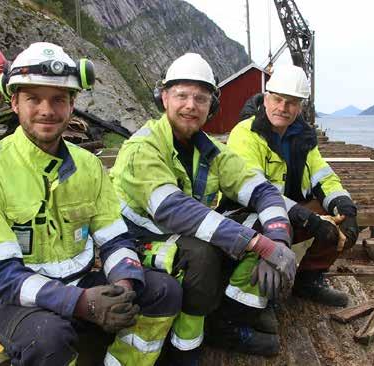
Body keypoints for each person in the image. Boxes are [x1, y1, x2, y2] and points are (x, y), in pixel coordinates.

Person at [0, 42, 182, 366]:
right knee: (48, 338)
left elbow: (115, 237)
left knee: (164, 291)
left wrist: (124, 285)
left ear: (72, 104)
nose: (47, 109)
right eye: (34, 98)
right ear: (14, 102)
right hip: (18, 300)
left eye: (59, 98)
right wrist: (81, 302)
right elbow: (0, 275)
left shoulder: (89, 166)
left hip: (84, 284)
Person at [110, 53, 299, 363]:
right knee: (203, 255)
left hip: (181, 234)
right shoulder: (142, 147)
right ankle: (185, 350)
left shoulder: (211, 150)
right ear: (165, 98)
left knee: (259, 222)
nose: (190, 105)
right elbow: (171, 208)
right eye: (182, 95)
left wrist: (277, 237)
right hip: (135, 241)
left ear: (212, 105)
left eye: (200, 98)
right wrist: (256, 243)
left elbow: (262, 190)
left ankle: (231, 321)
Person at [215, 64, 358, 353]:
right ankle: (257, 303)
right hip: (245, 213)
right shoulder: (245, 134)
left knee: (340, 217)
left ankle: (308, 279)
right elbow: (256, 192)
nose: (283, 107)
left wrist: (345, 208)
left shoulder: (303, 136)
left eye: (291, 102)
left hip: (290, 212)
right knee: (273, 228)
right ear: (266, 98)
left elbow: (322, 176)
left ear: (300, 107)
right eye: (277, 99)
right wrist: (310, 218)